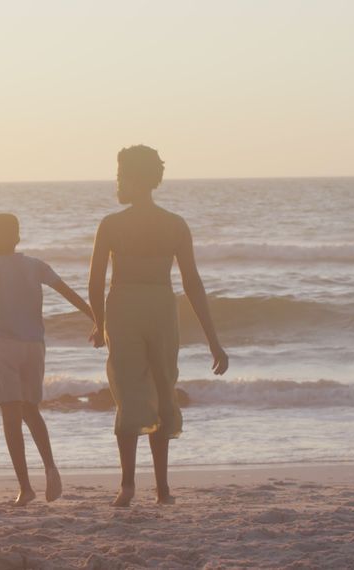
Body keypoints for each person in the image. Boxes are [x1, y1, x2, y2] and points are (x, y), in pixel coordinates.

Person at [87, 145, 229, 508]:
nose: (117, 182)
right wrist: (214, 341)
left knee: (129, 394)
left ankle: (128, 485)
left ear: (135, 180)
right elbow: (192, 284)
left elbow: (95, 281)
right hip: (162, 308)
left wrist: (98, 321)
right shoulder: (175, 224)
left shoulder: (111, 225)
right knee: (163, 391)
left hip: (123, 308)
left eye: (121, 176)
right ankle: (162, 488)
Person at [0, 213, 93, 506]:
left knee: (11, 418)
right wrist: (97, 319)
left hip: (5, 344)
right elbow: (68, 293)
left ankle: (25, 487)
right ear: (18, 238)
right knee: (31, 411)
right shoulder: (36, 265)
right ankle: (50, 466)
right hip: (34, 346)